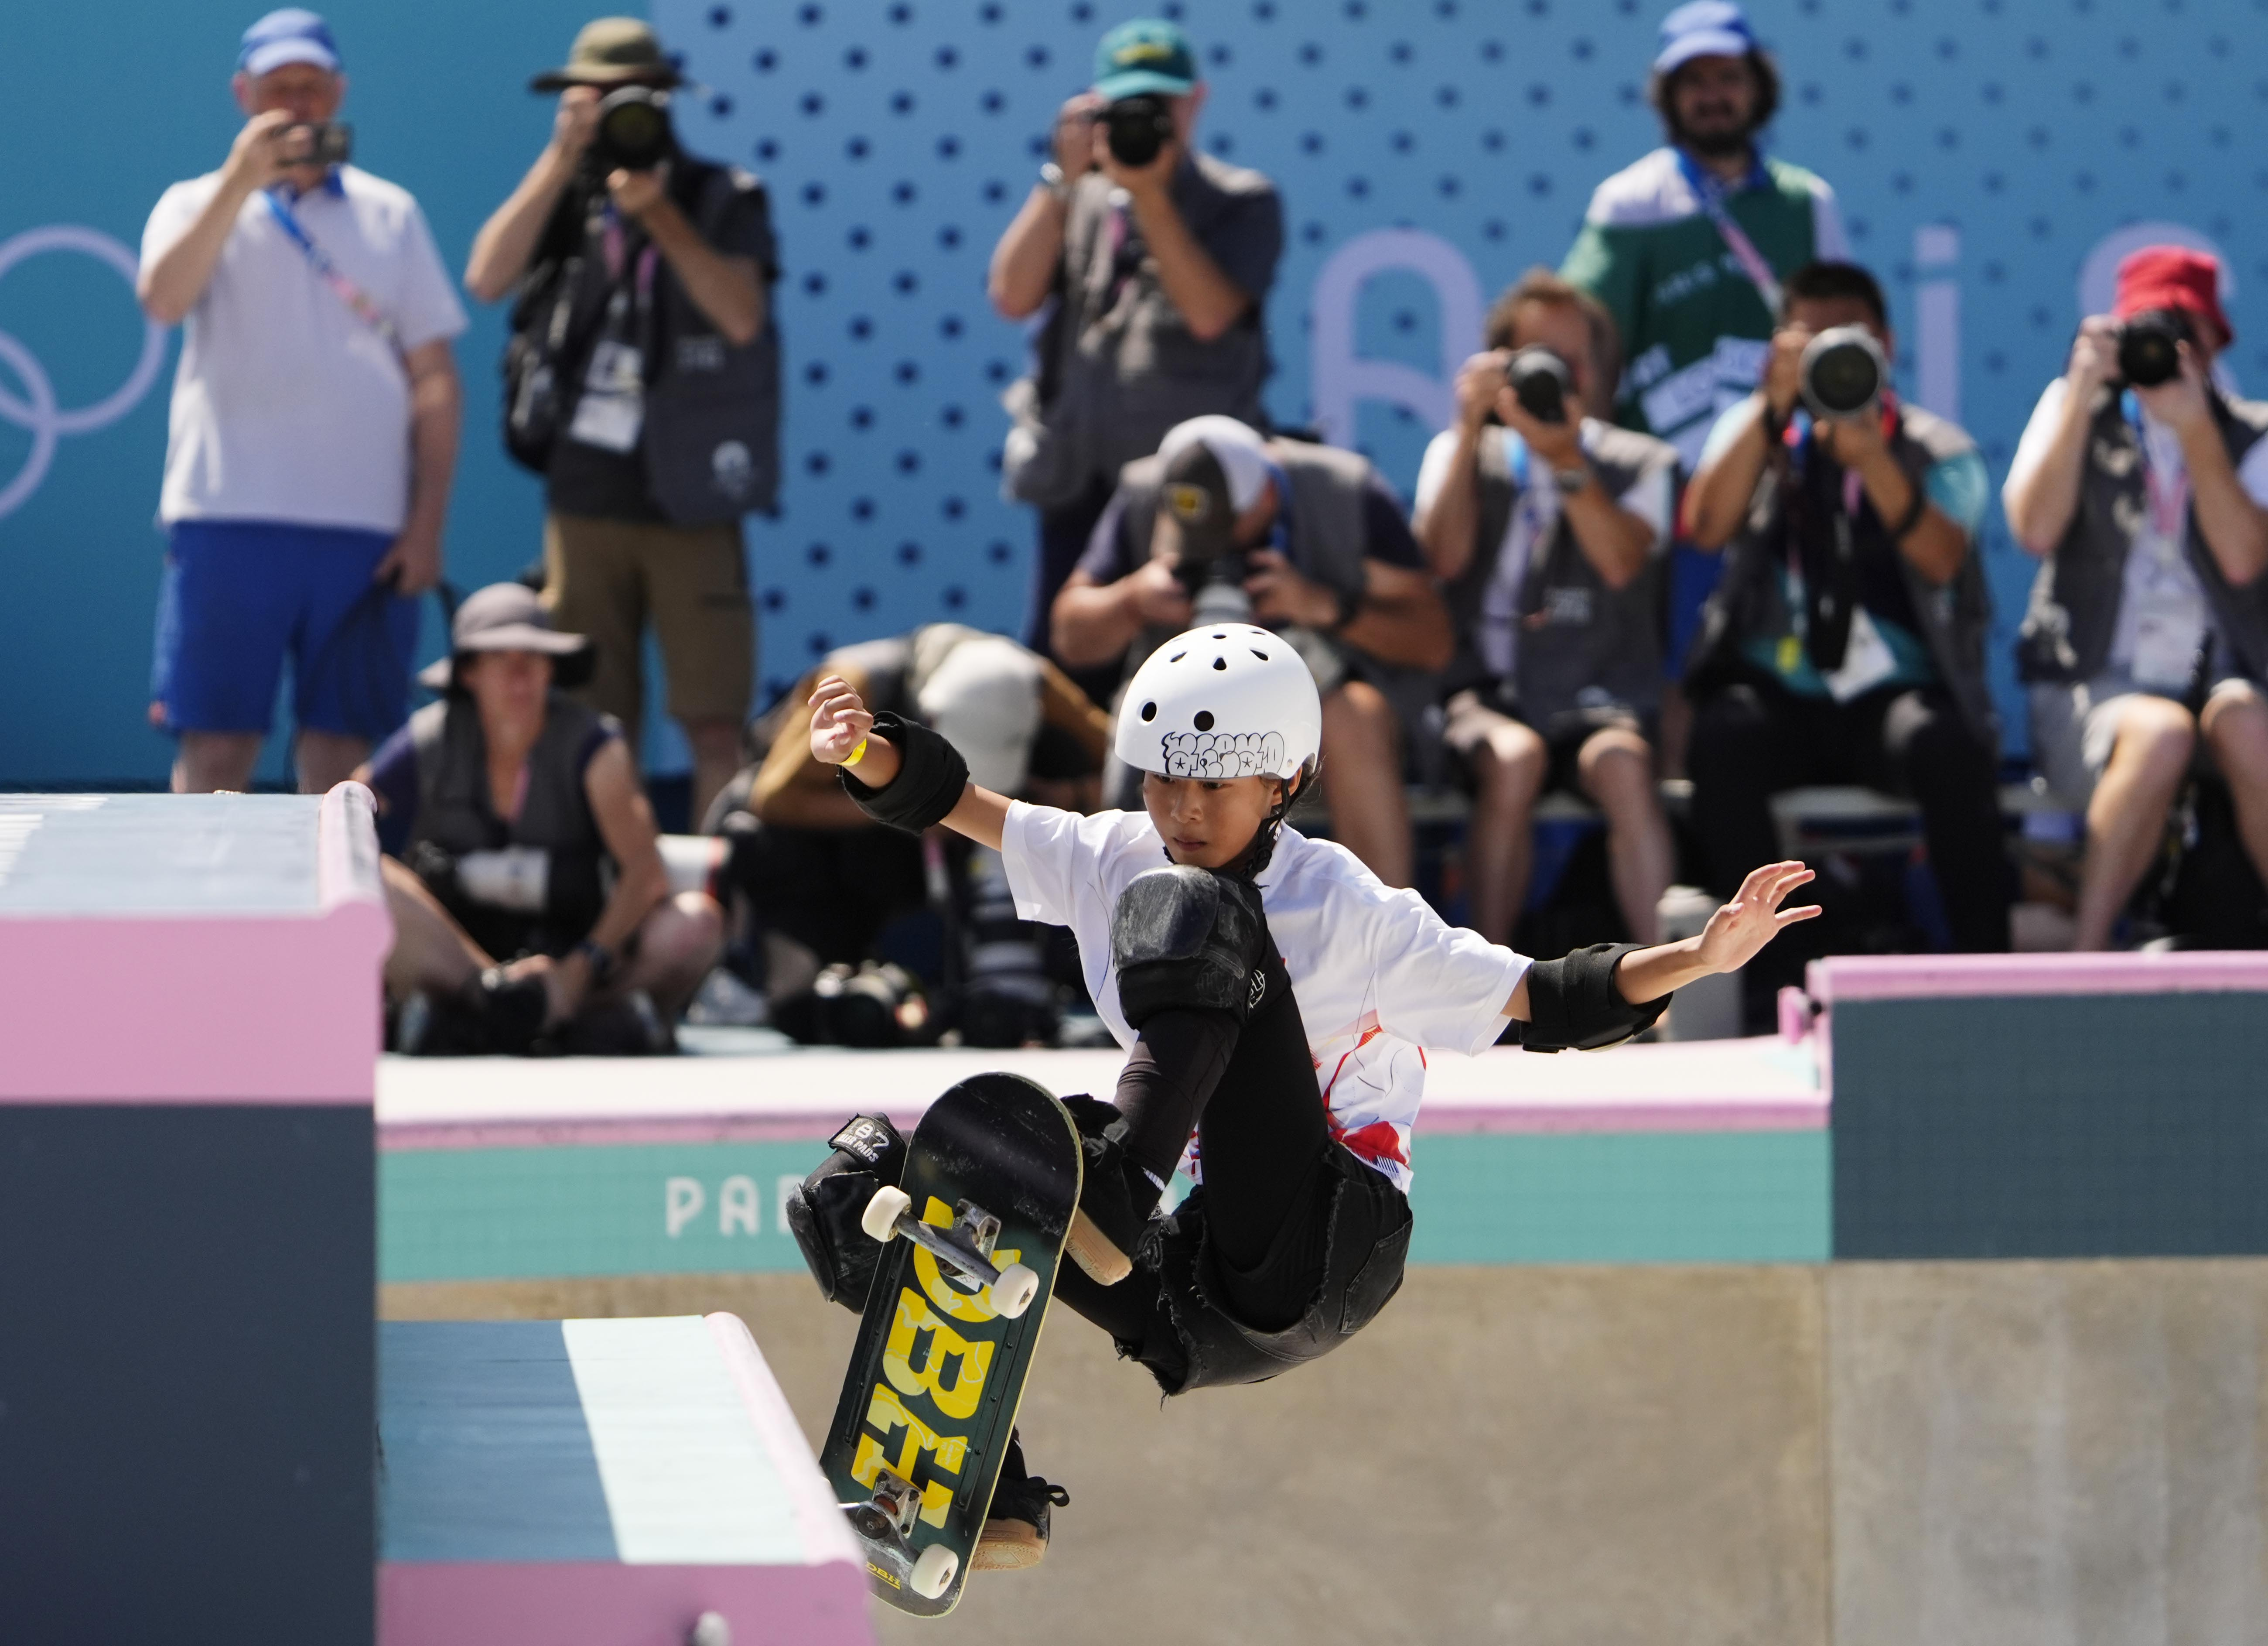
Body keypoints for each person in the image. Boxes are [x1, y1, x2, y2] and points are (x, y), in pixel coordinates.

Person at [782, 623, 1817, 1567]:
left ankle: (1109, 1189)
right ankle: (982, 1491)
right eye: (1163, 784)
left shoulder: (1353, 911)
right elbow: (959, 804)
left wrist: (1696, 955)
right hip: (1181, 1292)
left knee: (1197, 916)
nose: (1181, 813)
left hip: (1317, 1248)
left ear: (1284, 783)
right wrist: (860, 751)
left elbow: (1540, 1000)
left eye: (1215, 790)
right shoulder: (1112, 854)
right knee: (863, 1186)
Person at [140, 8, 465, 796]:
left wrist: (425, 525)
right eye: (278, 89)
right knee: (216, 756)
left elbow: (435, 376)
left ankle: (337, 923)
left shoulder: (391, 214)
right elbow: (164, 298)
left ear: (339, 93)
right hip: (228, 519)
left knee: (346, 769)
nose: (296, 106)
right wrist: (239, 185)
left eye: (312, 89)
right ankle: (207, 919)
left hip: (364, 533)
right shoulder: (193, 202)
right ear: (242, 95)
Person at [466, 17, 780, 827]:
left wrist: (662, 217)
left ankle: (715, 903)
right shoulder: (566, 195)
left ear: (666, 100)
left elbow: (742, 315)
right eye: (594, 96)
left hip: (690, 493)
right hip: (585, 493)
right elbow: (486, 277)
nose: (613, 112)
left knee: (714, 717)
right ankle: (614, 898)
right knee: (594, 722)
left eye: (628, 98)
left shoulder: (721, 195)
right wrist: (562, 156)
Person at [1681, 261, 2008, 988]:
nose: (1828, 353)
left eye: (1847, 339)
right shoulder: (1760, 429)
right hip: (1781, 693)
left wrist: (1872, 458)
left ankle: (1992, 980)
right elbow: (1704, 527)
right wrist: (1772, 406)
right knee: (1723, 737)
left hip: (1889, 698)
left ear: (1887, 344)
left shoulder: (1933, 444)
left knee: (1947, 748)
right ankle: (1773, 992)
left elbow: (1943, 557)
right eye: (1810, 338)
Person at [989, 17, 1284, 695]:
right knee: (1067, 679)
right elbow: (1010, 294)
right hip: (1077, 477)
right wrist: (1060, 181)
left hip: (1188, 493)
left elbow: (1212, 315)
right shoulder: (1081, 195)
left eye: (1161, 103)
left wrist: (1149, 195)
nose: (1146, 120)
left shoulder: (1242, 200)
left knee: (1193, 683)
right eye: (1128, 106)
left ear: (1196, 101)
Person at [2004, 247, 2268, 949]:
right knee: (2159, 733)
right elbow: (2033, 528)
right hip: (2097, 695)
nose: (2167, 346)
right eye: (2149, 327)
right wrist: (2083, 390)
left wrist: (2195, 431)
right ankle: (2089, 966)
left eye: (2186, 328)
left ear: (2215, 341)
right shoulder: (2074, 411)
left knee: (2246, 722)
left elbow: (2245, 560)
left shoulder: (2253, 434)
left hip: (2221, 689)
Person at [1412, 270, 1681, 945]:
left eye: (1573, 361)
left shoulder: (1641, 460)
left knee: (1624, 766)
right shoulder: (1461, 450)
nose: (1559, 378)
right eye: (1539, 361)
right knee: (1515, 760)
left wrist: (1566, 460)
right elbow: (1440, 562)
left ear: (1598, 372)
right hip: (1487, 697)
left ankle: (1669, 990)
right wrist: (1470, 428)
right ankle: (1488, 996)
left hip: (1598, 696)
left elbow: (1623, 563)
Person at [356, 582, 724, 1054]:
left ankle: (579, 1011)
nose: (520, 678)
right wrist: (491, 980)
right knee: (367, 876)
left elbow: (644, 873)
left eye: (534, 659)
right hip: (461, 958)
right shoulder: (426, 739)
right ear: (468, 673)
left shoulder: (596, 747)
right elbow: (342, 829)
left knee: (695, 923)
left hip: (578, 959)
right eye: (500, 660)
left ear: (552, 667)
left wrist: (579, 969)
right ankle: (492, 1003)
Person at [707, 625, 1112, 1008]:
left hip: (955, 843)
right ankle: (785, 969)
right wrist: (905, 806)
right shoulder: (854, 685)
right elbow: (772, 799)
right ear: (929, 718)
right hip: (852, 850)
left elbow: (1130, 764)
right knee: (761, 837)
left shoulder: (1033, 682)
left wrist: (1070, 796)